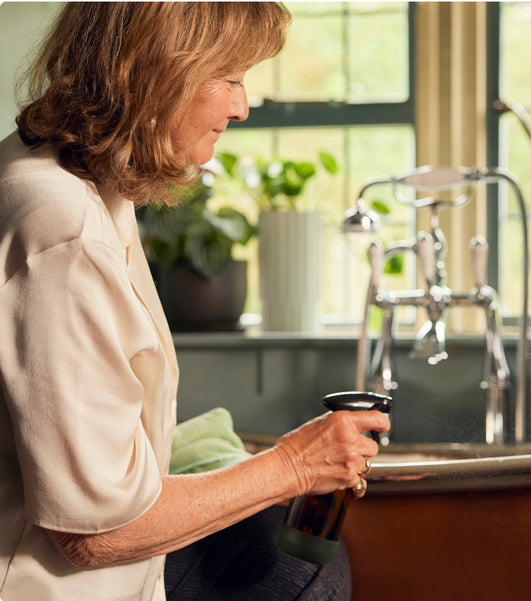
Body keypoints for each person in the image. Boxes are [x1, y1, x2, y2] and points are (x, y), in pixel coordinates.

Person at [0, 3, 390, 601]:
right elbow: (96, 534)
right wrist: (292, 466)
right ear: (160, 71)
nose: (242, 106)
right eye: (230, 78)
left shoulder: (58, 174)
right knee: (299, 571)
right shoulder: (63, 230)